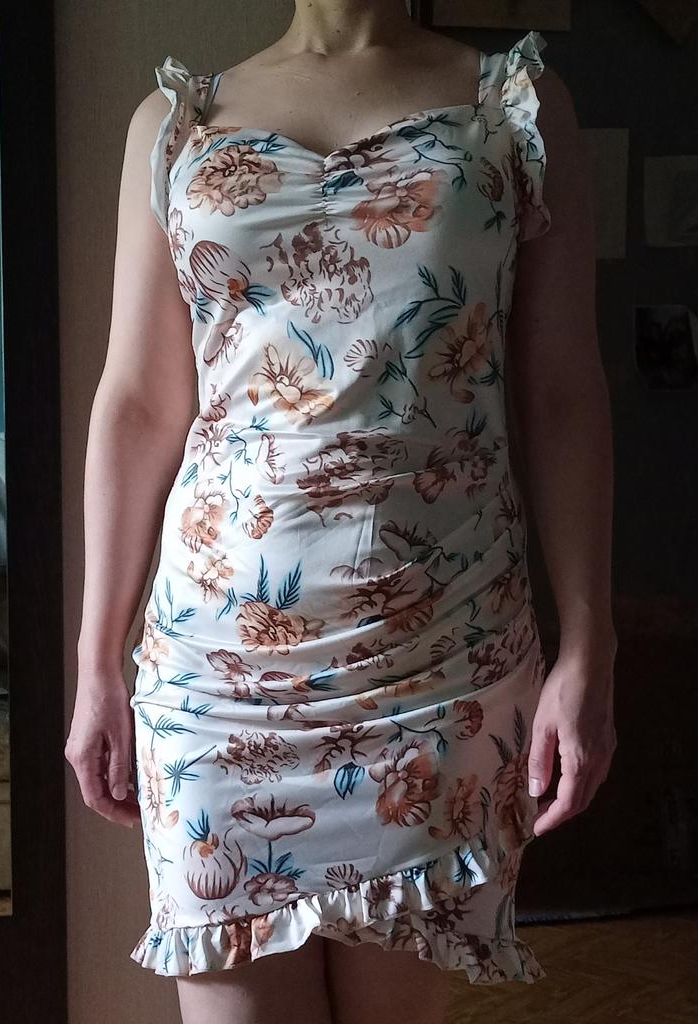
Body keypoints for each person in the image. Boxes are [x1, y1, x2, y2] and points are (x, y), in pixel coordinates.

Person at [64, 2, 617, 1022]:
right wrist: (96, 660)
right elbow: (137, 403)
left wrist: (592, 641)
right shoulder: (176, 124)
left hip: (441, 661)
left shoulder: (515, 106)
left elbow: (563, 393)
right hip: (215, 674)